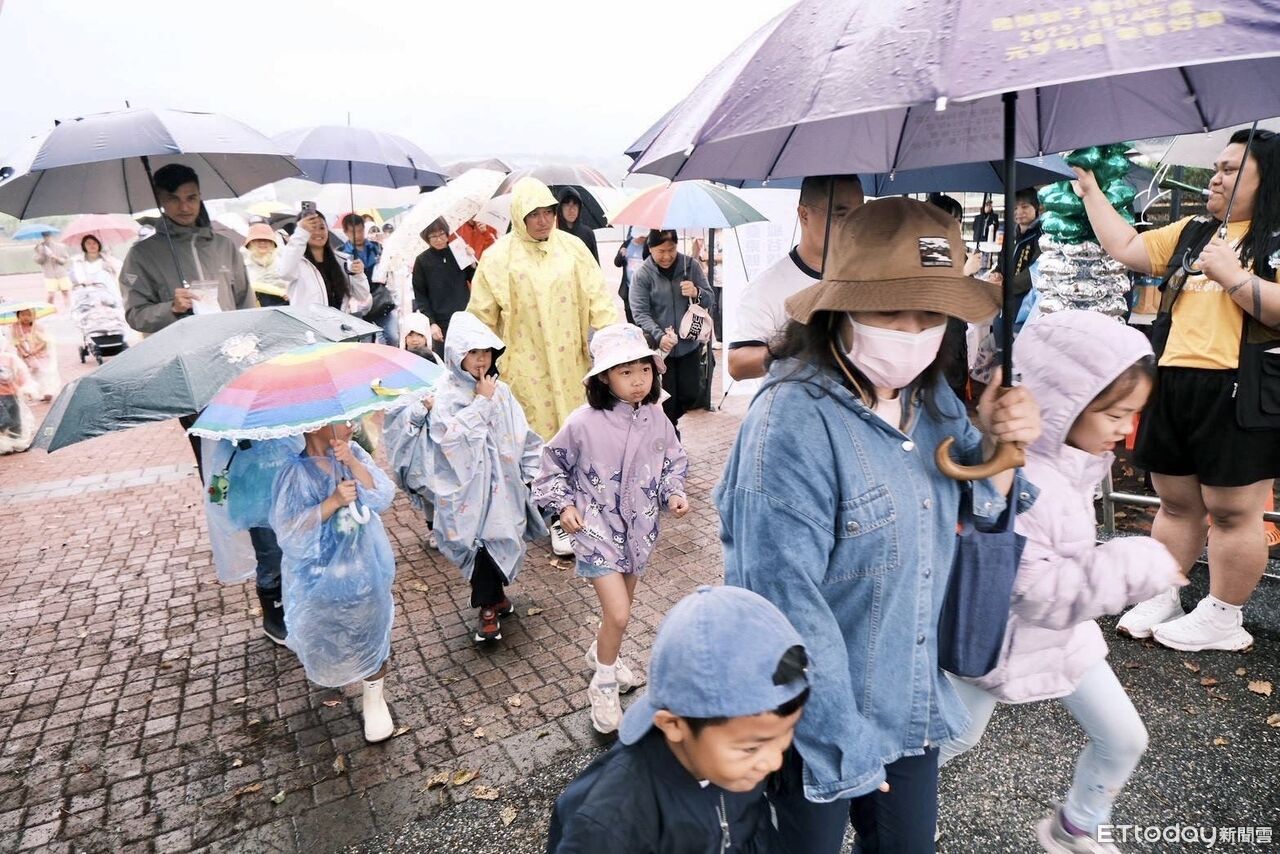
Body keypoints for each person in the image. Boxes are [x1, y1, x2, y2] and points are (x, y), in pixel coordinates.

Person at [717, 198, 1041, 852]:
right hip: (808, 723)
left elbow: (981, 504)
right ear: (840, 308)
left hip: (909, 697)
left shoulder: (931, 397)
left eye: (932, 313)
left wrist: (1004, 443)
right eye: (891, 310)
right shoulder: (789, 425)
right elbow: (783, 606)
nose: (913, 332)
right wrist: (846, 744)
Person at [938, 311, 1183, 853]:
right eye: (1115, 414)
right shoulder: (1020, 476)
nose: (1125, 428)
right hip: (991, 641)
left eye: (1133, 414)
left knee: (1124, 738)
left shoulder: (1076, 462)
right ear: (1062, 403)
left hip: (1062, 640)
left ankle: (1077, 827)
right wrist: (1135, 564)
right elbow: (1040, 592)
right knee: (950, 739)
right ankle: (884, 811)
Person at [1074, 128, 1280, 652]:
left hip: (1241, 385)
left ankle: (1223, 615)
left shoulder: (1274, 239)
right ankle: (1164, 593)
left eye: (1231, 169)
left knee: (1233, 511)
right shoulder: (1193, 231)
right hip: (1175, 380)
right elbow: (1126, 247)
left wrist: (1234, 277)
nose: (1216, 178)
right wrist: (1091, 190)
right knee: (1175, 502)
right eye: (1216, 168)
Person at [547, 585, 809, 854]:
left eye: (786, 732)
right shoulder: (612, 822)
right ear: (673, 725)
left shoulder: (737, 762)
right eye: (751, 748)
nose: (774, 761)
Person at [533, 324, 690, 734]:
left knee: (617, 615)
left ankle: (605, 654)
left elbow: (673, 461)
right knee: (618, 614)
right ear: (604, 377)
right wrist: (564, 505)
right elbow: (551, 468)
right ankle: (602, 684)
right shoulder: (582, 422)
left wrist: (673, 492)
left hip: (640, 532)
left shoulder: (657, 417)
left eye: (644, 369)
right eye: (626, 371)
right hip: (596, 532)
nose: (638, 380)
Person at [467, 177, 621, 555]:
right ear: (519, 216)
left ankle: (585, 509)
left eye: (548, 212)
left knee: (579, 436)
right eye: (533, 214)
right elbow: (481, 319)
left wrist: (616, 345)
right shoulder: (498, 258)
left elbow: (600, 300)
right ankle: (556, 517)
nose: (543, 220)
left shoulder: (573, 249)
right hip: (526, 369)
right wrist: (475, 362)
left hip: (571, 364)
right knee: (540, 444)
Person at [270, 419, 398, 742]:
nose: (351, 425)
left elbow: (382, 496)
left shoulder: (354, 453)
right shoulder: (294, 473)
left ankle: (374, 699)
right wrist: (332, 503)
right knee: (331, 631)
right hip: (320, 577)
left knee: (372, 627)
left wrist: (352, 462)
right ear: (316, 426)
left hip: (364, 567)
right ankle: (341, 673)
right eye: (343, 421)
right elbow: (289, 530)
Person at [427, 311, 545, 643]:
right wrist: (481, 403)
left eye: (486, 351)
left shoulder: (501, 391)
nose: (481, 359)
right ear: (457, 354)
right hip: (467, 490)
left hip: (503, 486)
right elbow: (449, 441)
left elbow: (521, 431)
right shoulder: (446, 395)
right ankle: (487, 608)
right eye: (473, 352)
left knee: (502, 536)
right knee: (478, 541)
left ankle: (495, 597)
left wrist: (532, 468)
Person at [727, 175, 864, 381]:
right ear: (804, 214)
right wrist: (794, 343)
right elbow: (737, 364)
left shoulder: (868, 277)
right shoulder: (768, 286)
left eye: (858, 215)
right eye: (840, 214)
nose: (851, 225)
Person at [120, 164, 254, 333]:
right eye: (173, 199)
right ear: (160, 200)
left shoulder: (225, 246)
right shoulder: (141, 255)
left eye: (191, 198)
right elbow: (136, 315)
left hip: (229, 343)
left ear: (199, 197)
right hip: (178, 347)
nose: (184, 207)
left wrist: (250, 337)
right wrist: (171, 308)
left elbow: (246, 302)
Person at [627, 230, 715, 432]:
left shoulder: (690, 266)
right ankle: (670, 431)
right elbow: (640, 313)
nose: (666, 256)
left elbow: (710, 298)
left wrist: (697, 292)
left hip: (688, 346)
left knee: (691, 393)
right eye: (661, 251)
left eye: (671, 249)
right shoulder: (643, 274)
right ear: (650, 249)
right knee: (666, 399)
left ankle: (670, 425)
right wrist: (659, 336)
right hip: (661, 352)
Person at [384, 314, 442, 550]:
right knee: (425, 487)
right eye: (410, 335)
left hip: (437, 442)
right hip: (415, 447)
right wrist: (421, 409)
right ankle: (433, 528)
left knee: (441, 485)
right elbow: (395, 414)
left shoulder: (437, 364)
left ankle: (447, 528)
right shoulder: (396, 373)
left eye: (419, 334)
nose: (415, 339)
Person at [278, 212, 372, 315]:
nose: (318, 232)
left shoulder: (342, 260)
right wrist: (300, 234)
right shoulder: (296, 262)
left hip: (339, 323)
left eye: (322, 228)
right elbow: (284, 273)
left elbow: (362, 296)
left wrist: (358, 275)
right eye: (311, 228)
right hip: (308, 323)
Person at [411, 217, 474, 358]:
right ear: (427, 238)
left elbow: (474, 278)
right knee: (446, 359)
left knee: (468, 358)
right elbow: (420, 296)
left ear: (447, 233)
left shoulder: (459, 250)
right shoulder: (422, 261)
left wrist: (472, 262)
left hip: (465, 316)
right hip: (440, 323)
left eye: (441, 234)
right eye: (433, 236)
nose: (439, 239)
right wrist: (432, 323)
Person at [342, 213, 398, 346]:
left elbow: (388, 271)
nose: (358, 235)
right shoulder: (343, 253)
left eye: (360, 230)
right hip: (358, 303)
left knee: (393, 337)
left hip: (380, 299)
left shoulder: (377, 247)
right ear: (346, 232)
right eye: (353, 232)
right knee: (366, 343)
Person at [10, 308, 60, 401]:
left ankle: (47, 391)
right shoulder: (15, 326)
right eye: (23, 315)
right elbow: (16, 341)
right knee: (29, 373)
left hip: (40, 353)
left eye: (28, 315)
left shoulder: (37, 326)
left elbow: (44, 341)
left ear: (33, 316)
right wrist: (23, 352)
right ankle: (32, 392)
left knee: (44, 372)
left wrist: (35, 351)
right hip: (25, 354)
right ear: (18, 316)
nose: (26, 317)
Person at [0, 338, 37, 455]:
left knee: (16, 420)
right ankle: (4, 443)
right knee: (4, 421)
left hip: (12, 394)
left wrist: (26, 387)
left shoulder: (10, 359)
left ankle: (16, 442)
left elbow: (21, 373)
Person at [242, 223, 290, 307]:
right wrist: (279, 292)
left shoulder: (281, 259)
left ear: (272, 243)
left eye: (267, 240)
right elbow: (250, 284)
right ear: (251, 242)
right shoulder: (245, 262)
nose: (263, 243)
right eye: (258, 240)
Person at [612, 227, 646, 323]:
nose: (643, 239)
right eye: (641, 237)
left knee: (643, 319)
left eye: (645, 236)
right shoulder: (627, 244)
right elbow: (617, 263)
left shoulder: (648, 246)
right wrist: (621, 255)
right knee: (631, 321)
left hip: (644, 290)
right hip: (628, 289)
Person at [557, 186, 599, 261]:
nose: (572, 210)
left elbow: (595, 263)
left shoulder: (587, 233)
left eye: (575, 205)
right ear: (560, 208)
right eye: (567, 205)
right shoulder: (554, 233)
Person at [33, 232, 71, 308]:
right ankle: (49, 310)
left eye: (48, 235)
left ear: (51, 236)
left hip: (61, 274)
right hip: (49, 275)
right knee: (51, 295)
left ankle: (69, 309)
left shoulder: (60, 246)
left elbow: (65, 260)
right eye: (44, 235)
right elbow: (38, 261)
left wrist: (56, 258)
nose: (46, 237)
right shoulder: (39, 248)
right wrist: (42, 254)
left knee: (65, 292)